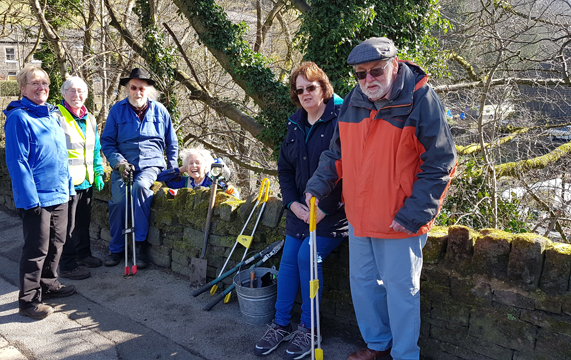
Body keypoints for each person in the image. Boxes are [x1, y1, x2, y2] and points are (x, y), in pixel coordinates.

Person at [304, 37, 457, 360]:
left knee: (402, 294)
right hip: (360, 216)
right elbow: (337, 153)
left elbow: (441, 162)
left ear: (394, 65)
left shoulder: (420, 99)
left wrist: (413, 214)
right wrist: (317, 186)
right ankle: (377, 345)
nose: (368, 80)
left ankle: (404, 355)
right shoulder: (353, 102)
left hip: (400, 219)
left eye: (376, 71)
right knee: (363, 287)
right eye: (361, 74)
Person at [254, 62, 347, 359]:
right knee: (289, 261)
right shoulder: (295, 124)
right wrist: (291, 203)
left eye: (311, 87)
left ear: (323, 87)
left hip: (332, 215)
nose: (306, 93)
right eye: (300, 89)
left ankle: (310, 329)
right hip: (299, 212)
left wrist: (325, 208)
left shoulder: (341, 121)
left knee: (307, 256)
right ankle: (281, 325)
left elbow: (351, 171)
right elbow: (284, 169)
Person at [4, 65, 77, 320]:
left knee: (58, 243)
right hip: (38, 197)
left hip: (59, 193)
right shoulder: (19, 117)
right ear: (22, 88)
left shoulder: (52, 115)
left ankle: (49, 284)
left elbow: (61, 156)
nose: (41, 88)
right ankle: (28, 301)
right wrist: (29, 198)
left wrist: (68, 187)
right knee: (36, 249)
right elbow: (17, 161)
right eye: (34, 83)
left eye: (44, 83)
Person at [100, 68, 179, 268]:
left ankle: (139, 245)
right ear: (128, 89)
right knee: (118, 201)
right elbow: (107, 142)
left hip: (151, 165)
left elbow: (172, 143)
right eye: (133, 88)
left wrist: (174, 169)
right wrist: (118, 163)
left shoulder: (160, 110)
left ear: (148, 90)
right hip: (124, 165)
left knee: (141, 187)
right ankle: (116, 248)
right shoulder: (117, 110)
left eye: (141, 88)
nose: (137, 92)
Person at [55, 76, 105, 280]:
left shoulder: (90, 118)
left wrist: (99, 171)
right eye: (72, 90)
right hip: (66, 182)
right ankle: (67, 264)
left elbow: (95, 149)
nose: (77, 95)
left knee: (83, 222)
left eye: (81, 91)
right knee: (67, 226)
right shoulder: (56, 116)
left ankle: (84, 255)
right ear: (64, 93)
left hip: (86, 179)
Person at [157, 148, 239, 197]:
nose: (194, 166)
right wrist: (179, 170)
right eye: (190, 163)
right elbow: (160, 178)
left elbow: (234, 194)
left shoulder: (214, 181)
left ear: (206, 166)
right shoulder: (185, 182)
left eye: (197, 163)